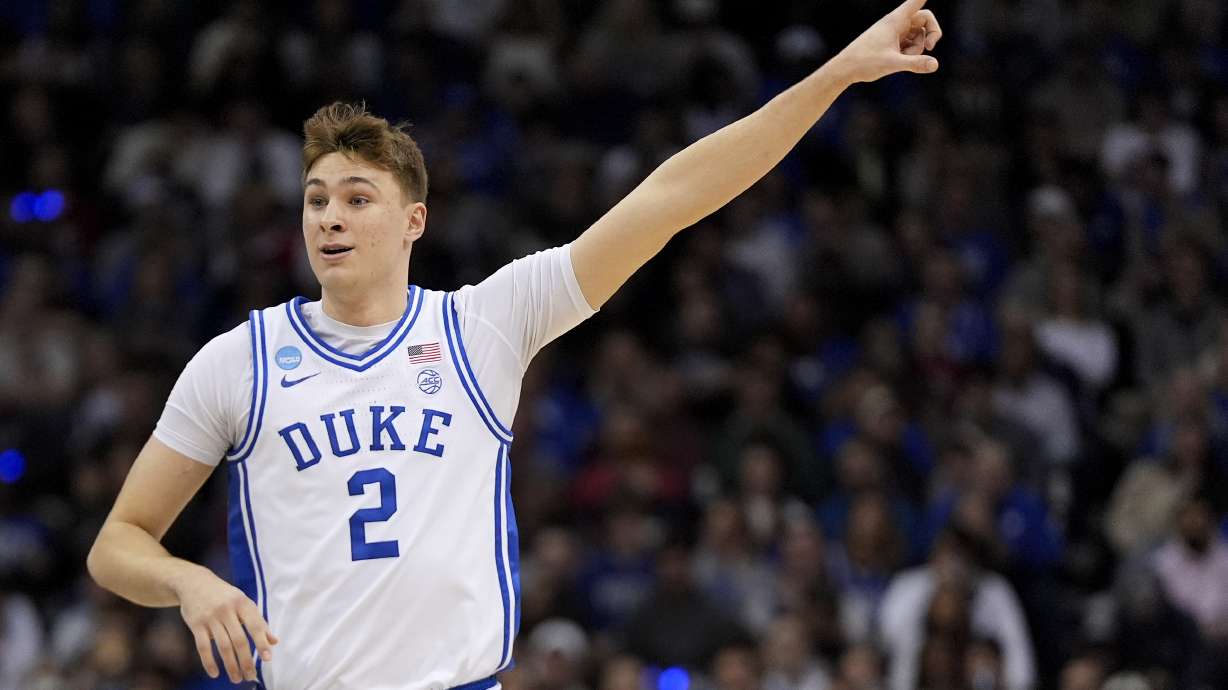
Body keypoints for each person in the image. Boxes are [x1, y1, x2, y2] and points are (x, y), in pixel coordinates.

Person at [85, 2, 944, 687]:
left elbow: (676, 194)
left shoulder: (482, 325)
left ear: (413, 220)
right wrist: (188, 583)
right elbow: (118, 542)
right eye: (316, 200)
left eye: (355, 198)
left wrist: (838, 73)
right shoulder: (240, 359)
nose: (330, 217)